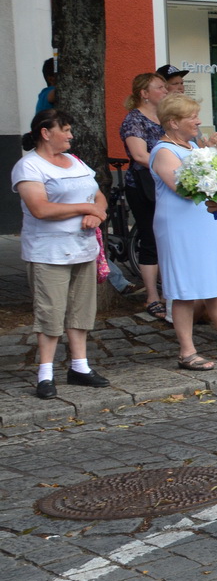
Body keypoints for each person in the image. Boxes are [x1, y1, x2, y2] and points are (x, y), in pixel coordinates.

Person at [150, 95, 217, 371]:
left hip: (205, 223)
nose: (199, 121)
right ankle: (187, 352)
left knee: (215, 284)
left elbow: (213, 180)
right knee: (184, 288)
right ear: (173, 122)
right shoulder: (164, 150)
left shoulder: (190, 146)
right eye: (192, 117)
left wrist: (215, 156)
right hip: (180, 228)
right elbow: (185, 189)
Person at [12, 109, 109, 398]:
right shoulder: (29, 166)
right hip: (48, 252)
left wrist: (98, 213)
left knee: (81, 310)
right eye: (64, 130)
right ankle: (45, 374)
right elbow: (40, 208)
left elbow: (97, 193)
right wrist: (85, 208)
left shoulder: (75, 161)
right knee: (50, 313)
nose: (70, 135)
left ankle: (79, 366)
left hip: (83, 248)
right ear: (45, 133)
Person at [118, 72, 169, 319]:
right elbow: (139, 155)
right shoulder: (133, 120)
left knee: (169, 239)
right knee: (150, 239)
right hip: (143, 186)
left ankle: (171, 291)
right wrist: (170, 166)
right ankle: (152, 295)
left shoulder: (165, 117)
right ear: (144, 94)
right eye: (160, 87)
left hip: (166, 184)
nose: (166, 91)